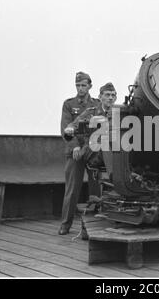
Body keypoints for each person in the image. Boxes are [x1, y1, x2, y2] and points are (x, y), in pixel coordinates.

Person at [59, 71, 100, 235]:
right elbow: (66, 128)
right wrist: (75, 146)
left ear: (90, 86)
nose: (80, 88)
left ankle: (96, 225)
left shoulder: (97, 105)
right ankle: (65, 224)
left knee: (96, 189)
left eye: (84, 85)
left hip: (92, 152)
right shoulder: (69, 105)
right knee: (72, 189)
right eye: (78, 85)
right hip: (74, 153)